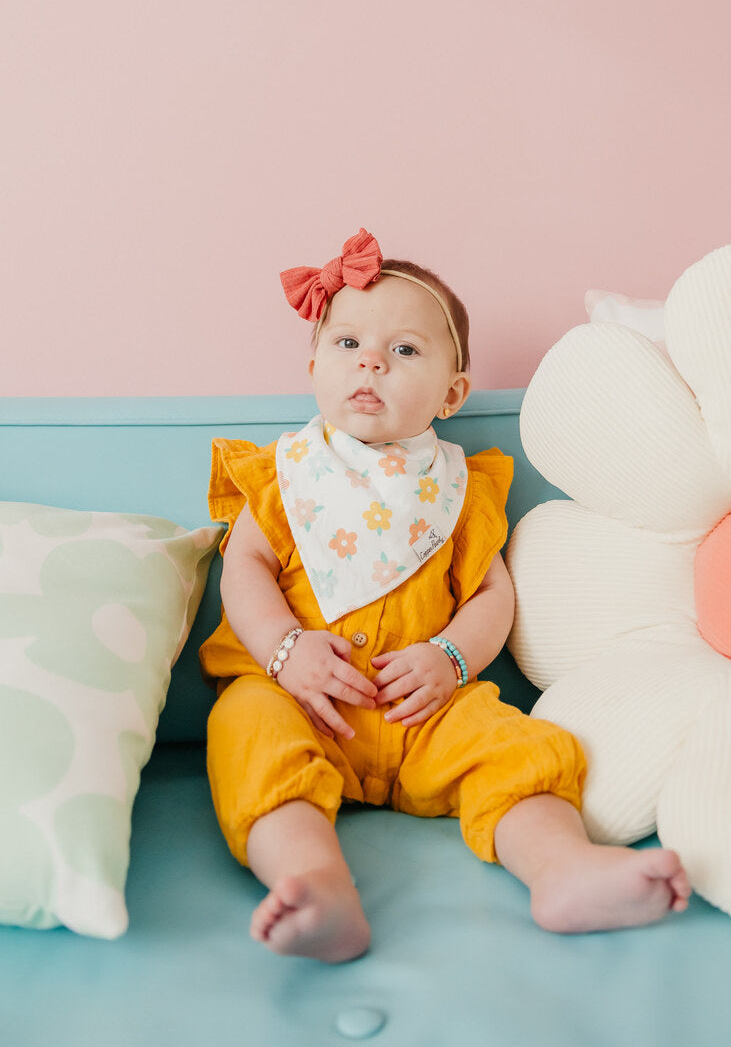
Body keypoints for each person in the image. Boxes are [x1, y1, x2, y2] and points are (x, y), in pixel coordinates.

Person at [200, 229, 689, 962]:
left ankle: (564, 871)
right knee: (248, 733)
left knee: (514, 746)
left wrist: (451, 658)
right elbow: (245, 570)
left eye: (404, 350)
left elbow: (493, 592)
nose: (370, 360)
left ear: (453, 393)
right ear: (312, 367)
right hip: (300, 694)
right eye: (347, 343)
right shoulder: (282, 475)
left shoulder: (460, 490)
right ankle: (317, 886)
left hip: (423, 709)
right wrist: (284, 651)